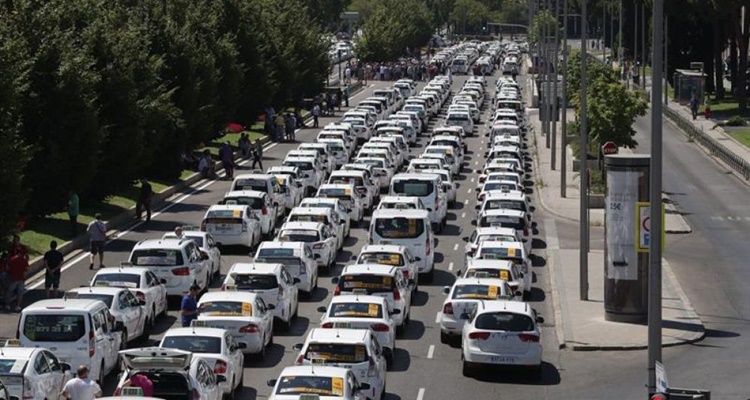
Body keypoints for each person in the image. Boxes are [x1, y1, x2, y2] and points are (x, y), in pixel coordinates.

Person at [6, 235, 28, 312]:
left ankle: (7, 304)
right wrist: (24, 277)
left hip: (13, 277)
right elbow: (25, 269)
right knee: (20, 292)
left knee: (10, 291)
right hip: (21, 277)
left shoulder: (12, 259)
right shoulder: (24, 260)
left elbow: (8, 266)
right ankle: (18, 306)